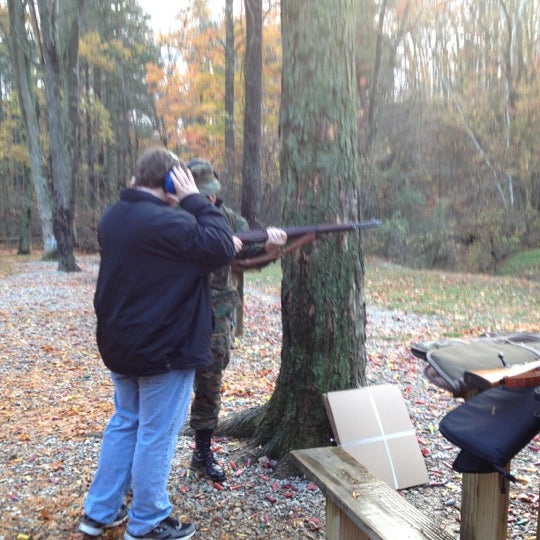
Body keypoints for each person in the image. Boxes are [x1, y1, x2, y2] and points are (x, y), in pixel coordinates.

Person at [78, 146, 238, 540]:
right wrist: (194, 199)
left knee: (125, 424)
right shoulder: (168, 222)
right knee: (156, 432)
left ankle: (100, 512)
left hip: (123, 344)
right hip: (163, 348)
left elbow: (194, 252)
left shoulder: (115, 216)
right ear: (171, 181)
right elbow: (218, 245)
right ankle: (148, 520)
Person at [186, 158, 287, 482]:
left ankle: (202, 451)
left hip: (218, 315)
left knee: (210, 382)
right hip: (180, 313)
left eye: (212, 193)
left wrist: (271, 246)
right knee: (169, 385)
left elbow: (251, 254)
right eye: (203, 194)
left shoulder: (227, 218)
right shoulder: (173, 220)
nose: (210, 199)